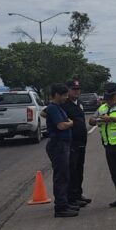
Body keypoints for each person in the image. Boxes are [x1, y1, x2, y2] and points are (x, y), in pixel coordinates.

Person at [45, 83, 78, 218]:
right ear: (57, 95)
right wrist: (70, 123)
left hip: (63, 145)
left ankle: (65, 202)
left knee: (66, 175)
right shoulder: (53, 108)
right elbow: (61, 125)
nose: (66, 97)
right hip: (58, 145)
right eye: (64, 95)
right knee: (61, 177)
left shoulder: (58, 108)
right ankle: (60, 208)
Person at [62, 79, 91, 208]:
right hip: (71, 143)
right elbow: (45, 112)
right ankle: (71, 197)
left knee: (79, 169)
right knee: (72, 171)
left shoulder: (79, 103)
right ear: (67, 90)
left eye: (78, 89)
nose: (76, 91)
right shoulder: (63, 103)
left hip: (81, 142)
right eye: (74, 89)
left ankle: (78, 194)